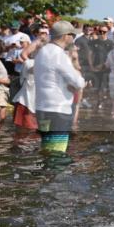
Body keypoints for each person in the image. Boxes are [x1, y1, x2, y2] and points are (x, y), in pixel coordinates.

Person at [33, 21, 85, 153]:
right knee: (56, 153)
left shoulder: (42, 51)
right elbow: (78, 83)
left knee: (46, 149)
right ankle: (51, 173)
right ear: (65, 36)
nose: (73, 38)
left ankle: (44, 173)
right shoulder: (59, 55)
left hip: (41, 109)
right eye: (72, 35)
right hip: (58, 111)